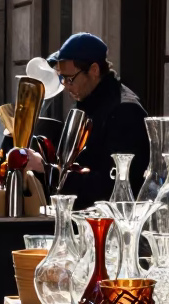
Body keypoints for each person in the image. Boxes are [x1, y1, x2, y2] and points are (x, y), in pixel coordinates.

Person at [44, 32, 148, 209]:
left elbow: (112, 186)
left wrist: (50, 172)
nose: (66, 87)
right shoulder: (84, 103)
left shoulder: (125, 111)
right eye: (62, 79)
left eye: (70, 79)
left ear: (94, 70)